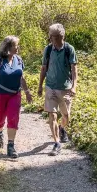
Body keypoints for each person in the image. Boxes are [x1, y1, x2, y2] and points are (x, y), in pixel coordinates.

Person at [37, 23, 77, 155]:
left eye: (53, 36)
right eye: (50, 36)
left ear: (61, 36)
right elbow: (44, 68)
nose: (51, 38)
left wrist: (74, 86)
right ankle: (57, 143)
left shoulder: (69, 49)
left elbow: (74, 70)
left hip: (65, 88)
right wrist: (40, 86)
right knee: (52, 115)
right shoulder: (48, 49)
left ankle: (62, 128)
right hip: (51, 87)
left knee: (66, 115)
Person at [0, 35, 31, 159]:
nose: (18, 47)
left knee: (13, 118)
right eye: (15, 45)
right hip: (0, 94)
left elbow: (21, 77)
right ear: (8, 47)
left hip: (15, 94)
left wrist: (27, 91)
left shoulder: (19, 60)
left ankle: (11, 146)